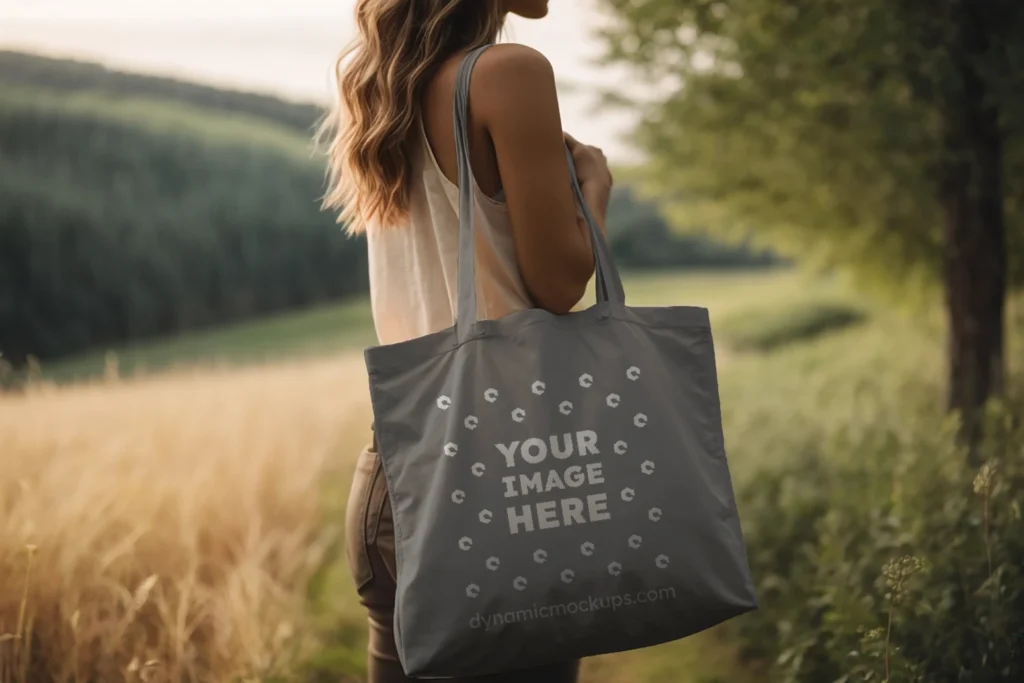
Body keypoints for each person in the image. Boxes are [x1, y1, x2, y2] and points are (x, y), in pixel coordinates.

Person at [319, 1, 614, 680]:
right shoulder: (508, 74)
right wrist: (593, 192)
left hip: (395, 479)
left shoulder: (380, 84)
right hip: (510, 472)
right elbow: (559, 281)